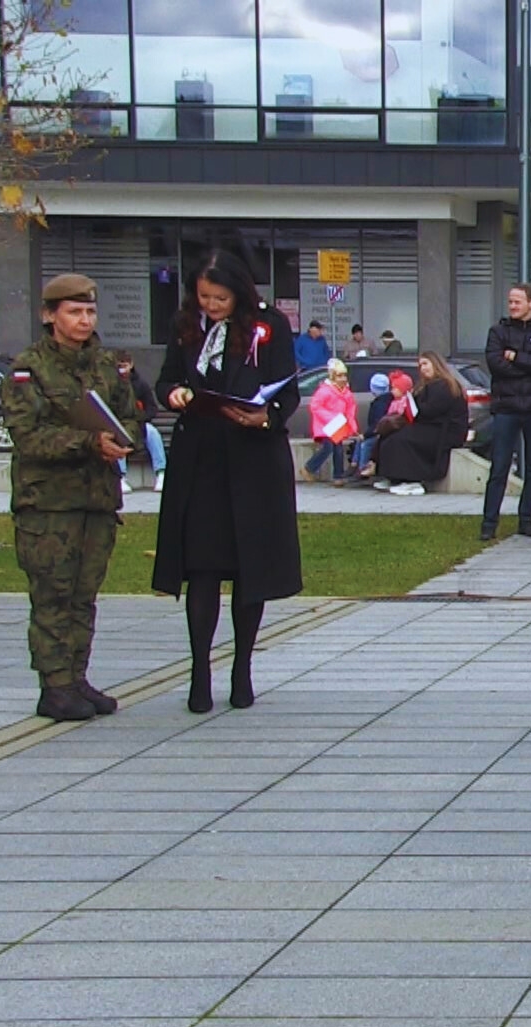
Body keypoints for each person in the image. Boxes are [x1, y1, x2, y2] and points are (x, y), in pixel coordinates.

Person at [153, 250, 303, 714]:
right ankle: (200, 672)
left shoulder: (268, 326)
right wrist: (174, 393)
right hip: (201, 461)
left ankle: (242, 670)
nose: (212, 305)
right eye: (204, 296)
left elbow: (288, 390)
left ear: (239, 292)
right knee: (202, 567)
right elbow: (166, 381)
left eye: (220, 297)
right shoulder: (186, 327)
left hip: (252, 460)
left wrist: (265, 416)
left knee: (248, 569)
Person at [2, 274, 140, 721]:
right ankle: (54, 685)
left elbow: (130, 417)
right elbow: (28, 436)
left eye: (90, 312)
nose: (84, 320)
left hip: (96, 500)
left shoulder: (106, 365)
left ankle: (76, 678)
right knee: (52, 595)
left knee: (84, 594)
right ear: (50, 315)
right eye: (74, 312)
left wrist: (123, 439)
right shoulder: (29, 368)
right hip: (48, 506)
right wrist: (87, 443)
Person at [481, 283, 531, 540]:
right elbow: (496, 365)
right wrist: (528, 363)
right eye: (511, 302)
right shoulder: (497, 332)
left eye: (518, 301)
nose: (513, 306)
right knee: (500, 466)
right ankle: (489, 523)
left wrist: (516, 357)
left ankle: (526, 518)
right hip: (507, 407)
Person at [374, 353, 467, 495]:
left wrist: (415, 409)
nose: (422, 368)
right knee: (390, 436)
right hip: (430, 424)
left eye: (425, 364)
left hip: (444, 430)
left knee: (402, 440)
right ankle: (393, 477)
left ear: (436, 364)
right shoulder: (427, 386)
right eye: (420, 365)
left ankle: (412, 480)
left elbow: (432, 410)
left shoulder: (445, 385)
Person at [114, 351, 168, 494]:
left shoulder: (141, 384)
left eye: (124, 365)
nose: (122, 369)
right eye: (119, 366)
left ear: (131, 365)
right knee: (117, 436)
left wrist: (142, 418)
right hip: (120, 426)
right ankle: (121, 477)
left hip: (140, 425)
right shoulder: (112, 385)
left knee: (153, 433)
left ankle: (161, 473)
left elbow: (152, 408)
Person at [300, 358, 358, 486]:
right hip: (326, 426)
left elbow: (350, 410)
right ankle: (309, 468)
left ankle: (338, 476)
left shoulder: (346, 393)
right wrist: (332, 417)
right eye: (339, 376)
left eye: (344, 375)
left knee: (338, 449)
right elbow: (315, 407)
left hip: (338, 425)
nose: (343, 379)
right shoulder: (325, 391)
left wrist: (352, 425)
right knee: (328, 448)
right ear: (332, 376)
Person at [351, 371, 394, 481]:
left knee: (365, 444)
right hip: (377, 431)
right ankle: (354, 465)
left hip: (379, 432)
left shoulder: (381, 403)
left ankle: (362, 469)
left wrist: (366, 435)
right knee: (359, 440)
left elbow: (377, 424)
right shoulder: (384, 400)